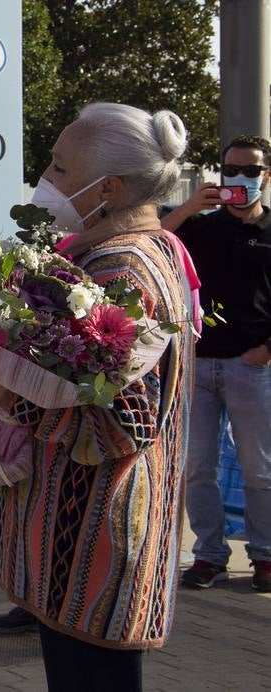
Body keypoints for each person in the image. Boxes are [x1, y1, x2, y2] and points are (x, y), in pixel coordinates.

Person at [0, 103, 195, 691]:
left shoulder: (123, 273)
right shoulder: (137, 251)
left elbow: (120, 425)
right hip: (73, 545)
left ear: (111, 188)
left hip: (94, 545)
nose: (46, 178)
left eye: (61, 167)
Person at [162, 133, 271, 594]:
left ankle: (265, 557)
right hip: (198, 366)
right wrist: (188, 208)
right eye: (232, 170)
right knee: (197, 466)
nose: (240, 179)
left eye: (251, 170)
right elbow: (152, 242)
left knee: (259, 469)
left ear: (267, 176)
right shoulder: (200, 227)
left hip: (254, 367)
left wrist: (267, 349)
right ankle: (209, 555)